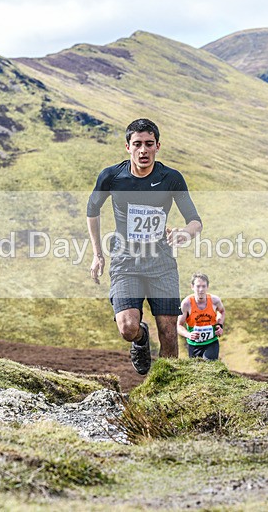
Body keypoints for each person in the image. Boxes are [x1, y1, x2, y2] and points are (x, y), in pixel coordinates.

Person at [87, 118, 203, 376]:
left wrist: (185, 233)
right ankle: (141, 338)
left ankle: (167, 388)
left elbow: (195, 221)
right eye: (137, 144)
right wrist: (97, 255)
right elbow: (92, 209)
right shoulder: (112, 176)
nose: (143, 150)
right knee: (127, 327)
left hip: (161, 265)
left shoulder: (171, 178)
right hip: (126, 264)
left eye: (149, 144)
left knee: (169, 335)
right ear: (127, 147)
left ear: (157, 146)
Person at [177, 273, 225, 360]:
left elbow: (222, 311)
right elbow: (179, 325)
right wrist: (188, 334)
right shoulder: (186, 303)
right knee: (196, 370)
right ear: (192, 287)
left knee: (209, 365)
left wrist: (219, 325)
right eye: (198, 286)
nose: (201, 290)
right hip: (194, 344)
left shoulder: (215, 300)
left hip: (211, 342)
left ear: (207, 287)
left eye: (204, 286)